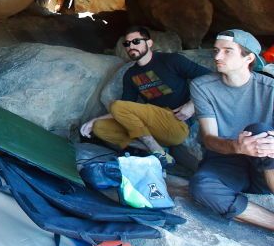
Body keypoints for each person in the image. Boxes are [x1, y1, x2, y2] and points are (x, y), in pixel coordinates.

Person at [80, 26, 211, 166]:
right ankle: (156, 149)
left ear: (149, 43)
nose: (131, 46)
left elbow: (210, 77)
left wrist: (191, 105)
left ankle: (157, 152)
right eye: (127, 43)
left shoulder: (171, 60)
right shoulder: (130, 75)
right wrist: (94, 121)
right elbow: (123, 108)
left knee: (116, 106)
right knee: (100, 127)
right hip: (151, 125)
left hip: (177, 124)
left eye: (136, 41)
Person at [189, 29, 274, 231]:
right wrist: (237, 146)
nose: (218, 56)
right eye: (216, 50)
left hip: (266, 166)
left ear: (249, 58)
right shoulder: (202, 86)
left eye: (228, 51)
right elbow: (210, 139)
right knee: (200, 187)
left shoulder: (270, 88)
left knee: (260, 131)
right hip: (225, 162)